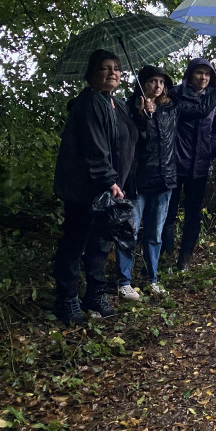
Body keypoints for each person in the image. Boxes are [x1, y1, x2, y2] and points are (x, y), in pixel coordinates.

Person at [120, 65, 216, 300]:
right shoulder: (129, 108)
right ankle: (124, 280)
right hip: (138, 180)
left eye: (161, 82)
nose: (157, 86)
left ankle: (152, 277)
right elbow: (127, 141)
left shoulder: (173, 107)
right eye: (152, 81)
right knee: (129, 230)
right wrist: (141, 117)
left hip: (164, 179)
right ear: (142, 84)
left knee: (154, 233)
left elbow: (201, 110)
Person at [53, 50, 138, 325]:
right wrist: (108, 180)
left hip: (109, 189)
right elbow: (95, 146)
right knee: (76, 241)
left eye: (116, 68)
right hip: (85, 188)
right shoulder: (88, 103)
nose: (112, 73)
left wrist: (146, 116)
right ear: (91, 75)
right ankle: (67, 299)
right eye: (105, 68)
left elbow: (133, 139)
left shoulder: (118, 104)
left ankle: (95, 293)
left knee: (101, 243)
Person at [163, 57, 216, 271]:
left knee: (193, 213)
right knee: (168, 213)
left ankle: (184, 259)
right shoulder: (175, 95)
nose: (203, 77)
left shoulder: (214, 100)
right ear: (190, 74)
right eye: (199, 73)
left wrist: (214, 147)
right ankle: (166, 256)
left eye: (207, 74)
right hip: (175, 164)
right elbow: (194, 112)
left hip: (200, 166)